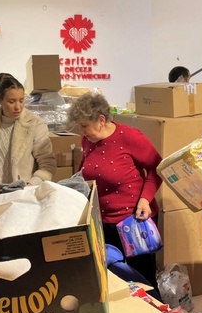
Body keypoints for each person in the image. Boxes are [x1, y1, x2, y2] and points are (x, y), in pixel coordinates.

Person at [67, 92, 163, 291]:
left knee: (143, 282)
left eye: (84, 125)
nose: (81, 130)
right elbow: (84, 171)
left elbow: (157, 168)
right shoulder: (88, 140)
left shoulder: (130, 137)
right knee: (114, 281)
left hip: (134, 222)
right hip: (104, 223)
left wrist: (145, 199)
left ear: (101, 120)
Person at [0, 74, 56, 187]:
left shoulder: (35, 125)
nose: (18, 107)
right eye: (11, 102)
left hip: (22, 197)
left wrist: (30, 185)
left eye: (21, 101)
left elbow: (47, 164)